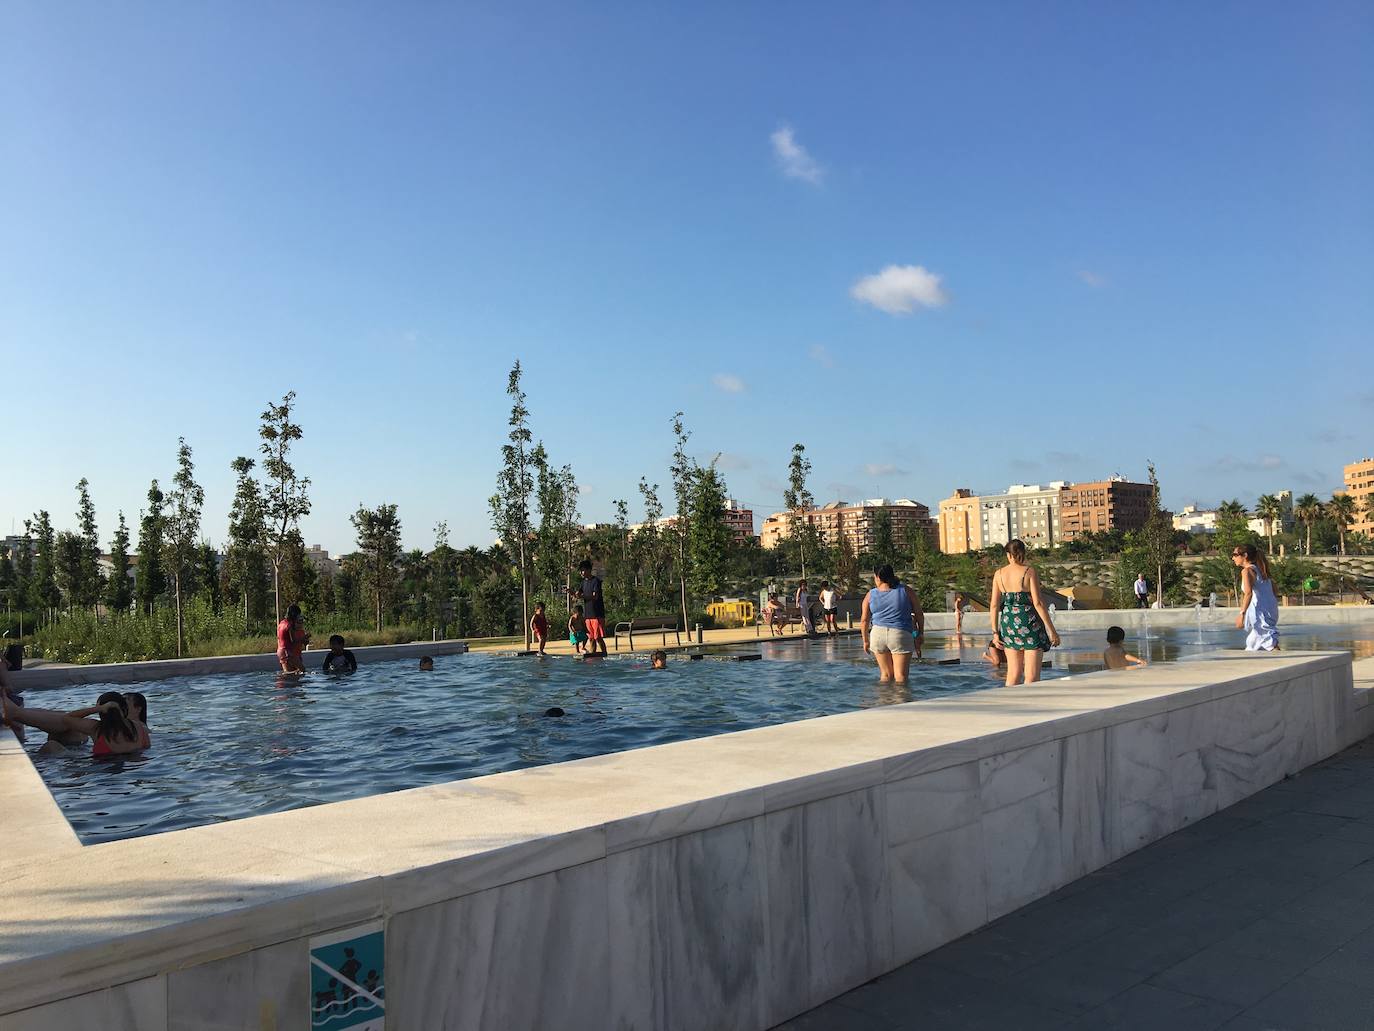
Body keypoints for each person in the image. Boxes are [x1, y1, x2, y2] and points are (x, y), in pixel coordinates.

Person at [989, 539, 1061, 685]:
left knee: (1013, 674)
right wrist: (1052, 630)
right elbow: (1038, 603)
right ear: (1022, 553)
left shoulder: (999, 574)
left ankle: (1010, 705)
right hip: (1029, 624)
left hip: (1008, 624)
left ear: (1008, 554)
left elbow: (994, 606)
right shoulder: (1029, 571)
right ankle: (1032, 703)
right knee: (1032, 676)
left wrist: (995, 633)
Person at [7, 691, 148, 756]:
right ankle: (18, 712)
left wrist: (97, 708)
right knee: (67, 734)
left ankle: (17, 713)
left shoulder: (96, 728)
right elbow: (145, 750)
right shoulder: (140, 728)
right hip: (125, 771)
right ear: (124, 709)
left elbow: (67, 718)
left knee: (51, 745)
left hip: (100, 774)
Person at [860, 564, 923, 684]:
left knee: (886, 675)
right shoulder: (906, 591)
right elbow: (919, 614)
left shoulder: (870, 595)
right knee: (901, 676)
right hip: (900, 633)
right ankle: (902, 701)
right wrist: (920, 633)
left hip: (878, 634)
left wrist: (865, 640)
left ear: (878, 577)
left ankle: (885, 700)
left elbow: (864, 620)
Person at [1234, 543, 1280, 651]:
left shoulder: (1247, 571)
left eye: (1235, 555)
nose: (1233, 558)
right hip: (1269, 609)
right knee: (1253, 643)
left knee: (1270, 643)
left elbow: (1248, 593)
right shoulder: (1262, 571)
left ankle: (1286, 663)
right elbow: (1275, 591)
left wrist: (1242, 614)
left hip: (1259, 612)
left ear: (1244, 555)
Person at [570, 560, 608, 657]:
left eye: (583, 570)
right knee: (591, 638)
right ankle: (592, 656)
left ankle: (604, 654)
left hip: (597, 614)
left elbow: (595, 596)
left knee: (598, 637)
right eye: (580, 571)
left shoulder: (596, 581)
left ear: (588, 570)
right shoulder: (583, 583)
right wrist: (573, 593)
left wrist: (582, 596)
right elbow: (578, 595)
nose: (581, 573)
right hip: (588, 615)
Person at [276, 604, 309, 674]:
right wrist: (304, 638)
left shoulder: (282, 623)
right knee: (303, 671)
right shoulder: (289, 625)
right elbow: (293, 641)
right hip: (288, 652)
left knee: (289, 674)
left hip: (281, 651)